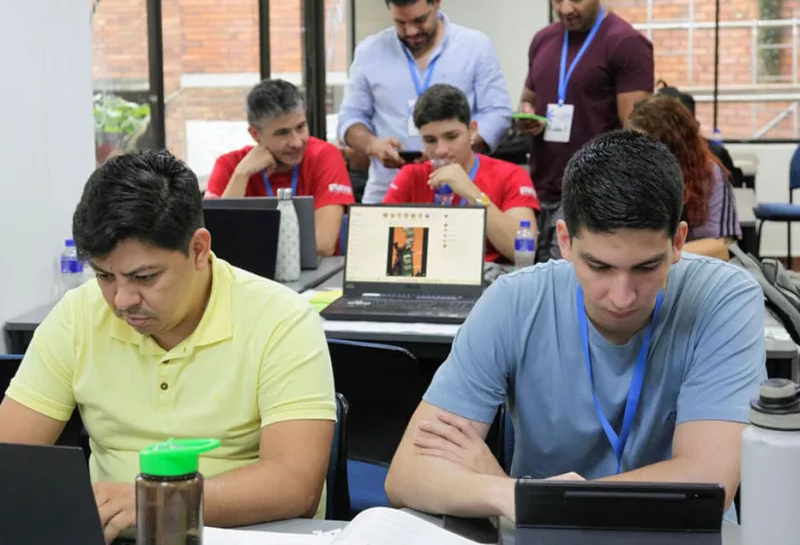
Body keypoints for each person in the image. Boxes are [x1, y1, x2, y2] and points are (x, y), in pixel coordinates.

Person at [385, 130, 765, 522]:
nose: (622, 296)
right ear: (565, 240)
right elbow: (408, 474)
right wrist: (510, 493)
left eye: (647, 267)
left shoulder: (724, 298)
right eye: (599, 266)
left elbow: (706, 485)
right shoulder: (514, 302)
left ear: (679, 242)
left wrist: (533, 498)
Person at [0, 151, 336, 542]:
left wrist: (155, 503)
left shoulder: (281, 319)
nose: (122, 299)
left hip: (243, 535)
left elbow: (294, 485)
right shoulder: (79, 314)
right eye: (104, 276)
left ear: (198, 250)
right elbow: (9, 455)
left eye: (144, 277)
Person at [518, 0, 654, 261]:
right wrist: (527, 115)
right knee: (532, 279)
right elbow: (527, 98)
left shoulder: (626, 43)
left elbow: (637, 136)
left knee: (566, 283)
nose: (565, 8)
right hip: (541, 189)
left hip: (591, 193)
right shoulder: (543, 40)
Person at [338, 0, 512, 204]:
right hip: (388, 188)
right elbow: (350, 117)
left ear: (437, 1)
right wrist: (372, 145)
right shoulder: (369, 51)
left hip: (461, 187)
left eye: (419, 20)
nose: (411, 31)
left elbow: (498, 113)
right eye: (400, 23)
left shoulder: (475, 47)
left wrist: (449, 146)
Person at [383, 84, 539, 263]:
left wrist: (473, 194)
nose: (441, 150)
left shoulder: (510, 175)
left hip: (490, 276)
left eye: (451, 137)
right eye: (430, 140)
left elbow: (522, 254)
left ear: (472, 130)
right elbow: (378, 241)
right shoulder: (411, 175)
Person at [205, 79, 354, 256]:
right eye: (282, 133)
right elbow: (214, 246)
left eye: (301, 127)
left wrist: (246, 244)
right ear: (255, 134)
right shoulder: (229, 166)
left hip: (317, 273)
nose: (296, 142)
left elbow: (323, 244)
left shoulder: (325, 156)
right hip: (245, 273)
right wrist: (241, 175)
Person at [628, 95, 741, 261]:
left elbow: (720, 247)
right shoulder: (624, 173)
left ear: (672, 146)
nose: (637, 154)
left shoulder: (709, 174)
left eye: (647, 146)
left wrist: (654, 258)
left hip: (690, 266)